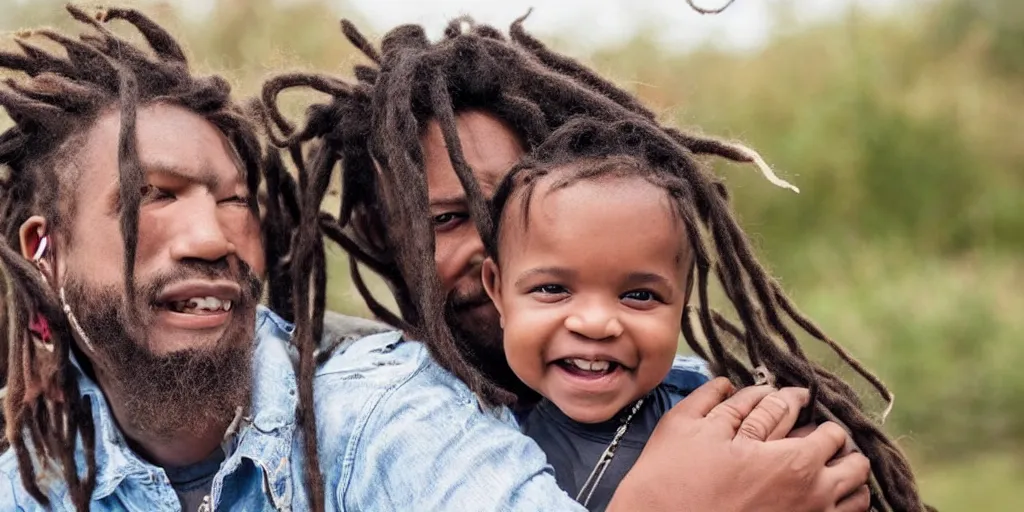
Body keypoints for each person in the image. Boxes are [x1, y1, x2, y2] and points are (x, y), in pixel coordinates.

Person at [0, 6, 865, 512]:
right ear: (383, 238)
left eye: (234, 202)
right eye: (448, 219)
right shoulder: (29, 473)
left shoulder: (382, 412)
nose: (499, 253)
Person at [263, 14, 926, 511]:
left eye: (505, 212)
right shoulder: (381, 414)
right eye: (443, 220)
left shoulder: (710, 407)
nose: (489, 244)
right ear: (380, 235)